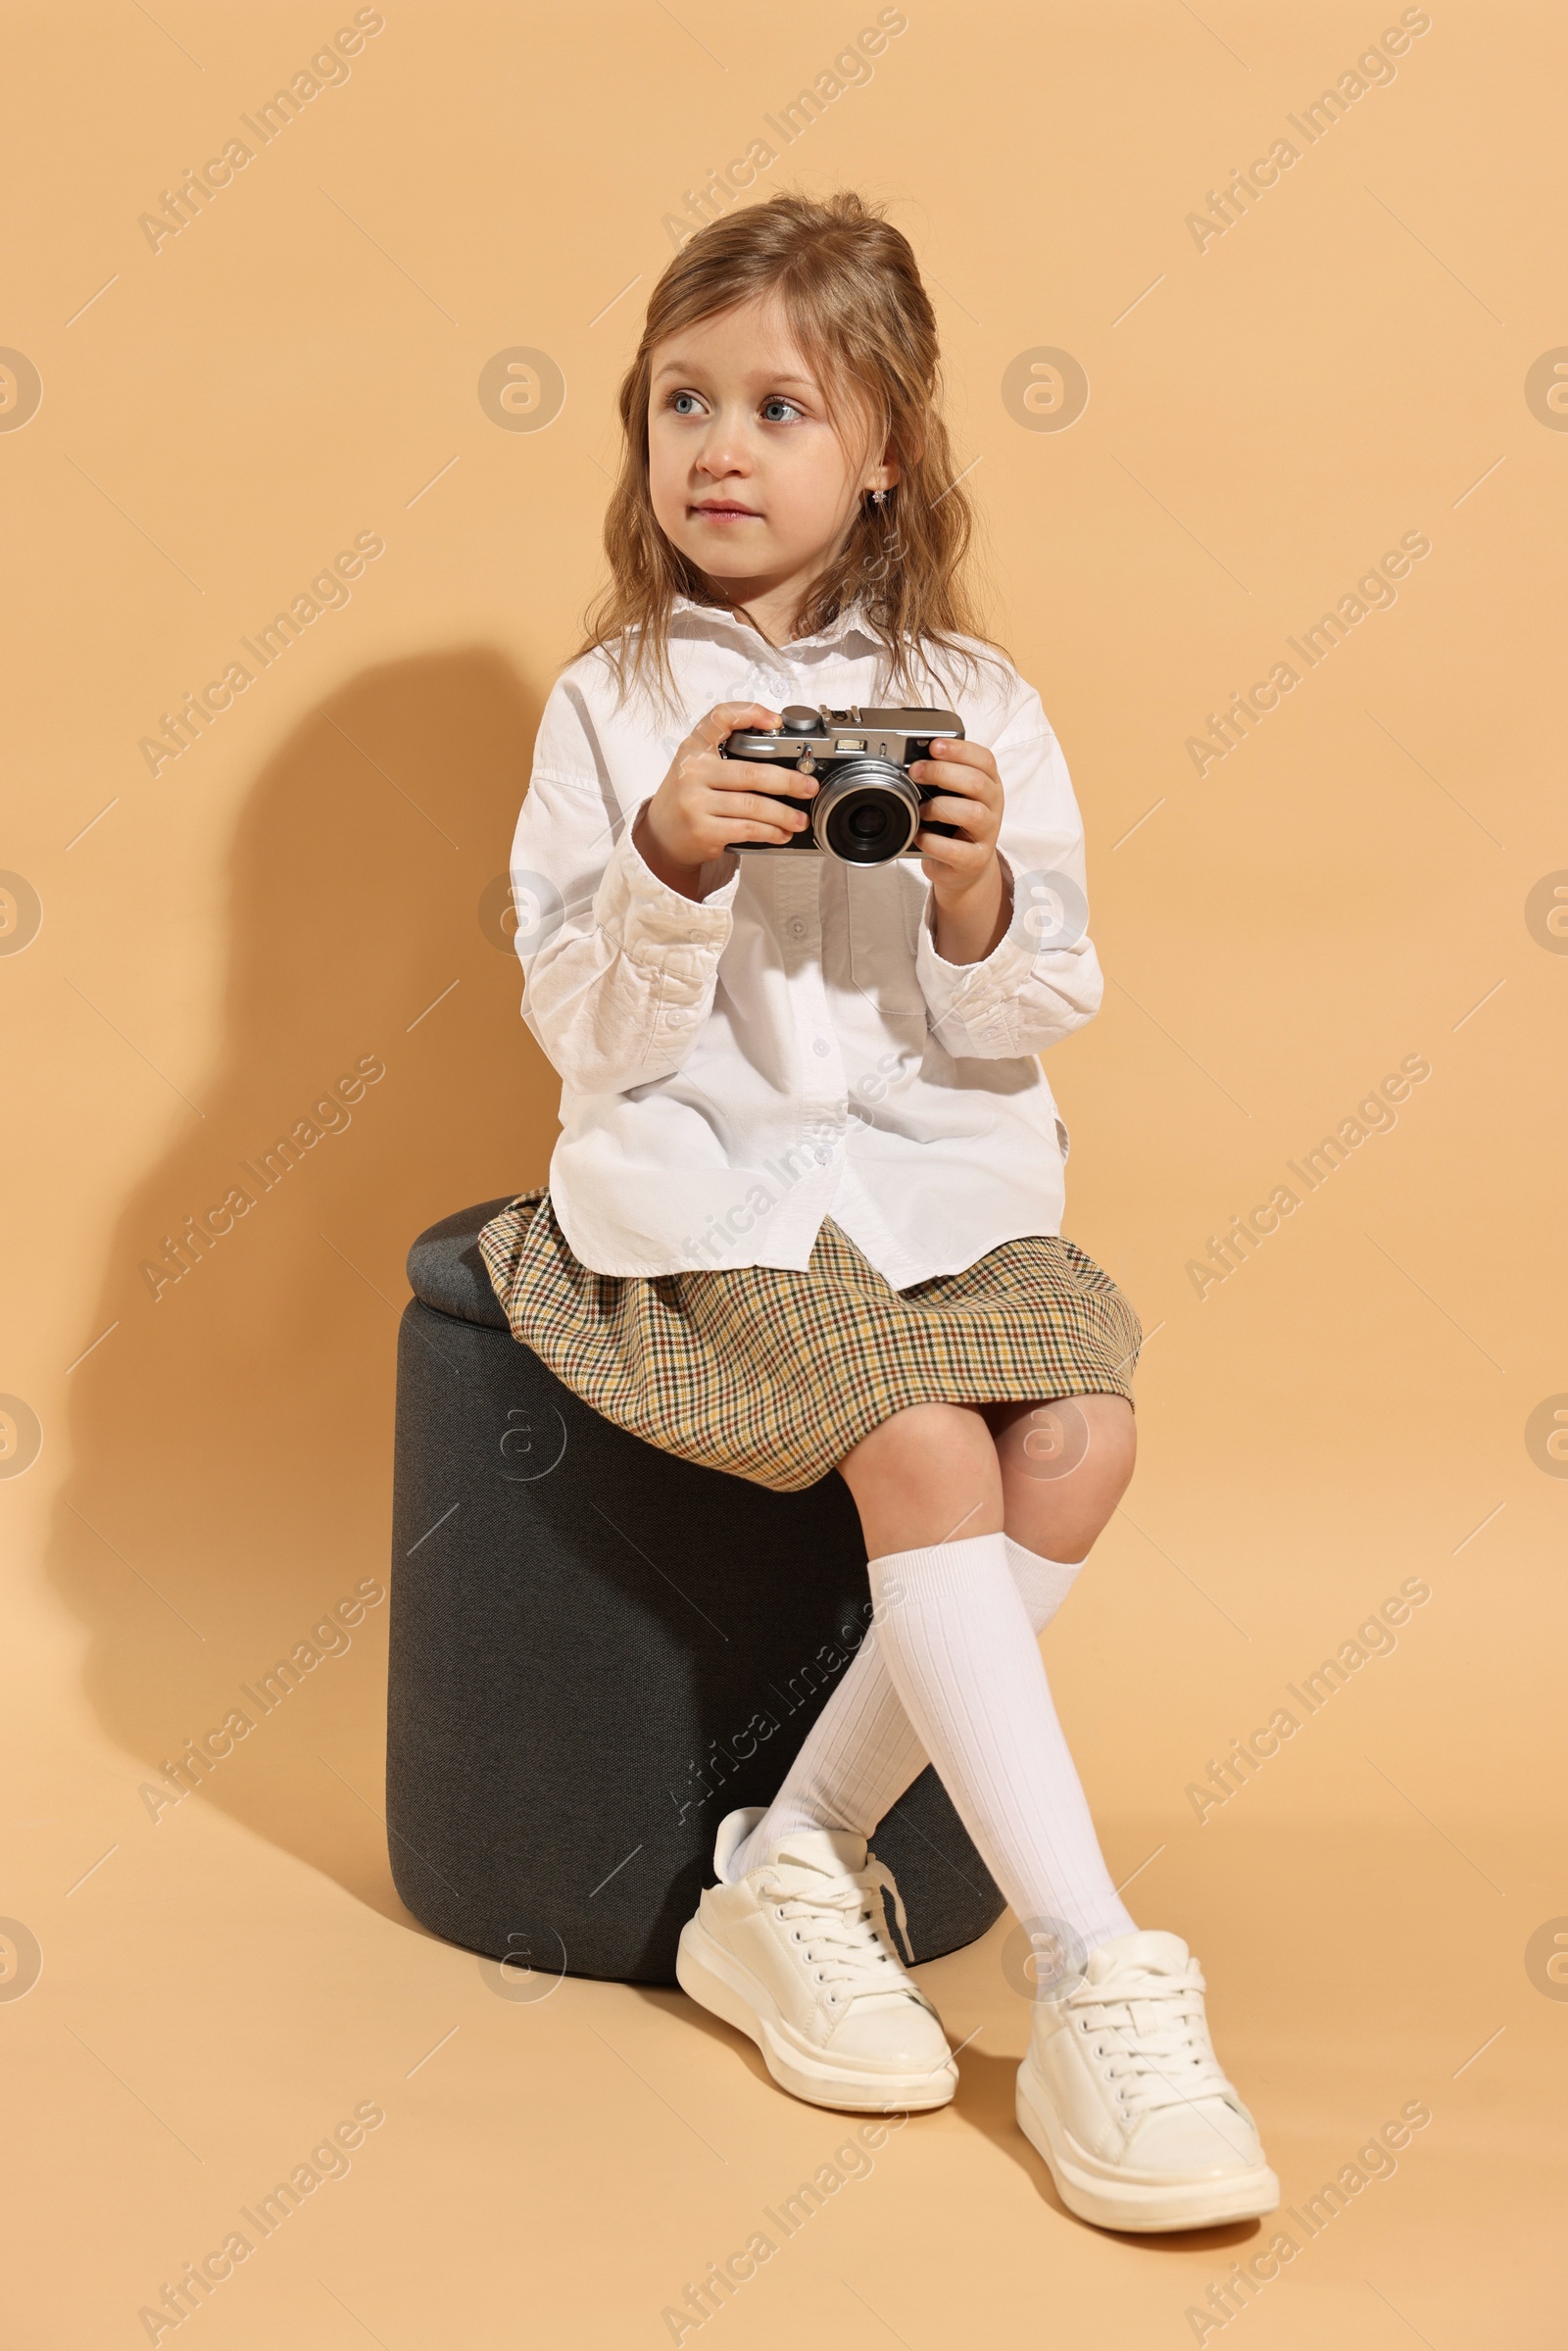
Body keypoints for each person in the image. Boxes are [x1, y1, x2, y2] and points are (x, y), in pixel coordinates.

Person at [479, 189, 1277, 2235]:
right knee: (920, 1439)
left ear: (887, 449)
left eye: (776, 407)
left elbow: (1035, 1008)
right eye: (680, 402)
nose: (717, 450)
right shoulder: (606, 711)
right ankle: (1096, 1963)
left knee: (1076, 1431)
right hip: (704, 1204)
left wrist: (966, 886)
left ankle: (787, 1861)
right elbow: (576, 1025)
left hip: (935, 1191)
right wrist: (666, 859)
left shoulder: (972, 701)